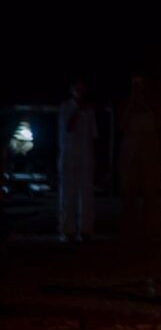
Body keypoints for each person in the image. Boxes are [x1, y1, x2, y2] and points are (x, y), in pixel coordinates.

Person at [119, 75, 161, 240]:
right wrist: (132, 102)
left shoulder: (152, 102)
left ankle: (151, 228)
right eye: (135, 83)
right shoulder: (126, 103)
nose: (138, 86)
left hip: (149, 146)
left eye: (140, 83)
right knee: (129, 188)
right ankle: (129, 228)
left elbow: (159, 122)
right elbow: (121, 125)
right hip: (131, 146)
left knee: (151, 188)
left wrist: (144, 102)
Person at [57, 79, 97, 243]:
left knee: (86, 194)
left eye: (82, 88)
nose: (80, 91)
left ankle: (86, 230)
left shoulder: (90, 110)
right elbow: (68, 127)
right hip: (68, 155)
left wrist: (94, 157)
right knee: (68, 194)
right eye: (77, 88)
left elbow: (93, 135)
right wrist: (78, 109)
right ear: (72, 89)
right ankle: (68, 230)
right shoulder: (65, 107)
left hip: (85, 156)